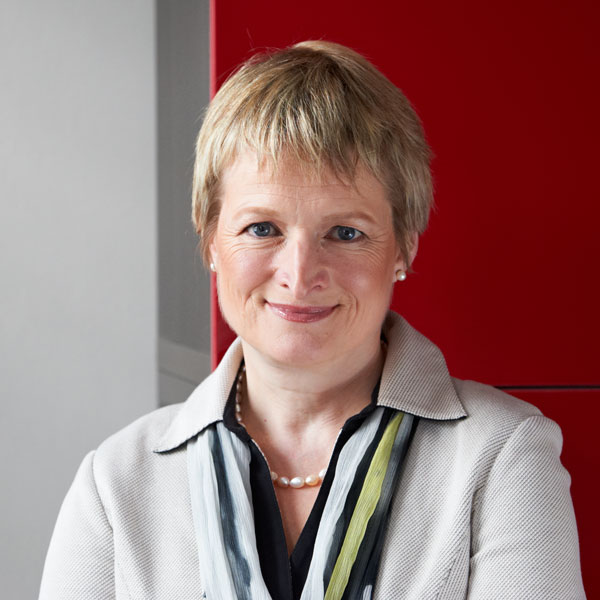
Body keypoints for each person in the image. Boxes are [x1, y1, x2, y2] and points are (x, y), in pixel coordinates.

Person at [40, 41, 585, 599]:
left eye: (345, 233)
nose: (300, 276)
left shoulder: (503, 457)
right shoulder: (115, 485)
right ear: (210, 241)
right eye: (262, 228)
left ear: (404, 248)